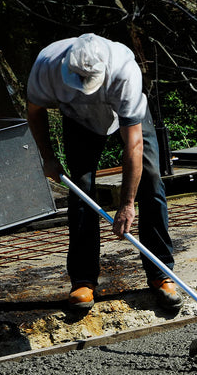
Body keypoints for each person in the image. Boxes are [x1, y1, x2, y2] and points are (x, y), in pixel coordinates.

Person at [27, 33, 182, 312]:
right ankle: (83, 280)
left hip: (124, 114)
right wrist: (47, 157)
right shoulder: (47, 64)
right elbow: (35, 111)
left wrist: (127, 204)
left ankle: (161, 273)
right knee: (81, 188)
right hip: (78, 119)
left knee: (150, 179)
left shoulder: (124, 71)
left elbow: (133, 144)